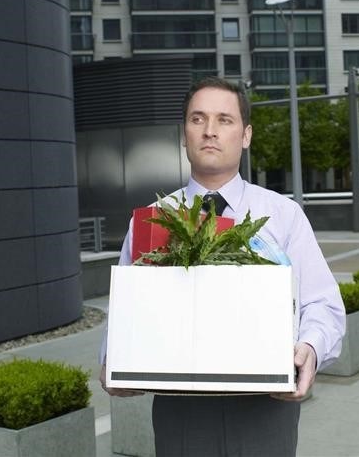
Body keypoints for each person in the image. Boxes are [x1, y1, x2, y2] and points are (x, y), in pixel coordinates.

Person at [100, 76, 345, 456]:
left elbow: (323, 303)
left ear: (246, 135)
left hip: (265, 410)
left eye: (224, 120)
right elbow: (127, 307)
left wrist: (311, 348)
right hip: (181, 411)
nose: (210, 131)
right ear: (184, 134)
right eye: (197, 119)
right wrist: (111, 358)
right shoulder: (151, 220)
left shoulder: (282, 215)